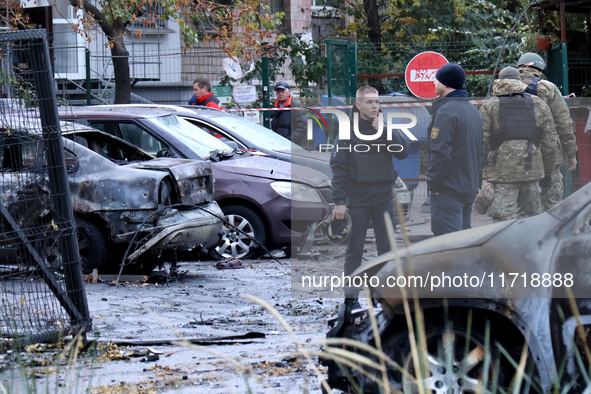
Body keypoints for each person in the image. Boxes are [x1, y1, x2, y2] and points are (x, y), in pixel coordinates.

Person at [330, 86, 410, 301]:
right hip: (358, 198)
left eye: (376, 102)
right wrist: (338, 201)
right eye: (369, 102)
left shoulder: (385, 126)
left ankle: (384, 298)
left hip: (384, 196)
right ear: (358, 105)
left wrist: (384, 130)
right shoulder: (348, 131)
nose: (374, 106)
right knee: (355, 251)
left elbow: (403, 152)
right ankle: (350, 301)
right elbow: (338, 167)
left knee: (387, 250)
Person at [480, 66, 557, 222]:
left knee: (503, 221)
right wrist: (547, 173)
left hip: (501, 174)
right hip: (532, 171)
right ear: (519, 81)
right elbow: (550, 143)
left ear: (499, 81)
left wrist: (485, 168)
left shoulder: (489, 105)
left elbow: (483, 141)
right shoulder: (539, 104)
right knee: (532, 220)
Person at [427, 63, 483, 236]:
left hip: (448, 190)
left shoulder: (446, 112)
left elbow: (440, 152)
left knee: (447, 247)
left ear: (445, 83)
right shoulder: (473, 111)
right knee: (463, 245)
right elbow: (480, 151)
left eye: (436, 80)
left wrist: (434, 184)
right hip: (468, 187)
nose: (434, 83)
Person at [516, 52, 577, 210]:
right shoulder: (548, 88)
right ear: (540, 67)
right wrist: (571, 153)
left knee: (523, 208)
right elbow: (563, 123)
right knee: (552, 204)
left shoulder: (505, 86)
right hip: (547, 155)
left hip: (514, 156)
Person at [269, 82, 307, 146]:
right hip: (277, 144)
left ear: (288, 91)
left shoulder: (296, 106)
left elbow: (302, 126)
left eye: (283, 91)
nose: (280, 94)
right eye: (278, 92)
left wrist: (291, 140)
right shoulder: (275, 107)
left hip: (291, 145)